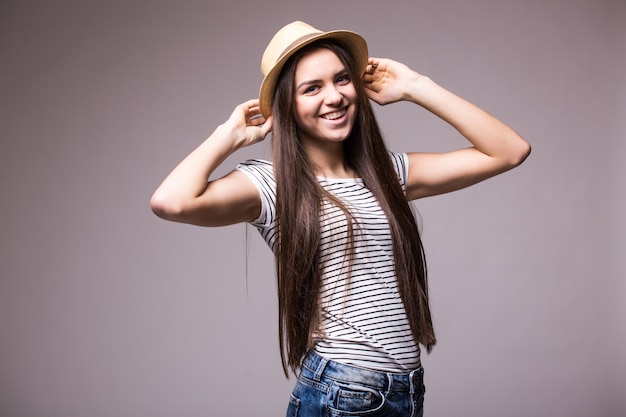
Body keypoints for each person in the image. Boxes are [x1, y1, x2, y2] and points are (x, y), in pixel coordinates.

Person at [151, 20, 530, 417]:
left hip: (405, 391)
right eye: (312, 88)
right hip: (342, 392)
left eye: (342, 79)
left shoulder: (387, 175)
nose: (334, 97)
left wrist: (417, 86)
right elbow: (170, 202)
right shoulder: (271, 184)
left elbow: (508, 151)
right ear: (287, 105)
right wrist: (226, 136)